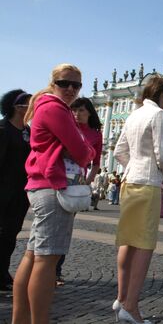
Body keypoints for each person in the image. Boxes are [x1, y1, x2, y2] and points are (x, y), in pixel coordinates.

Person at [12, 64, 95, 324]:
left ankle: (20, 320)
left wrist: (78, 146)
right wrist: (85, 150)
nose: (70, 89)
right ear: (53, 82)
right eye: (64, 83)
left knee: (33, 254)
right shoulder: (55, 108)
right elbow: (83, 152)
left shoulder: (45, 106)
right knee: (47, 260)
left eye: (76, 85)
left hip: (42, 184)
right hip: (53, 186)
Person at [113, 74, 163, 324]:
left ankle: (120, 298)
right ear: (161, 94)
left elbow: (119, 152)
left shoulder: (134, 114)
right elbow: (162, 153)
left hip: (130, 181)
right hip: (148, 183)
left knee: (128, 241)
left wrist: (133, 166)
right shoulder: (158, 114)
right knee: (145, 245)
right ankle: (131, 306)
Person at [55, 97, 104, 286]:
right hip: (57, 177)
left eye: (81, 110)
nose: (77, 114)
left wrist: (88, 182)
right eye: (74, 110)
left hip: (76, 183)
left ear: (90, 112)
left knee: (65, 227)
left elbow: (97, 163)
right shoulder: (66, 128)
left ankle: (56, 271)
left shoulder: (95, 134)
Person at [0, 89, 31, 292]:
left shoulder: (27, 131)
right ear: (16, 107)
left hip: (22, 191)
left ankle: (2, 271)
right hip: (4, 190)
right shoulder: (3, 130)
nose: (32, 107)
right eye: (28, 104)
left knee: (11, 233)